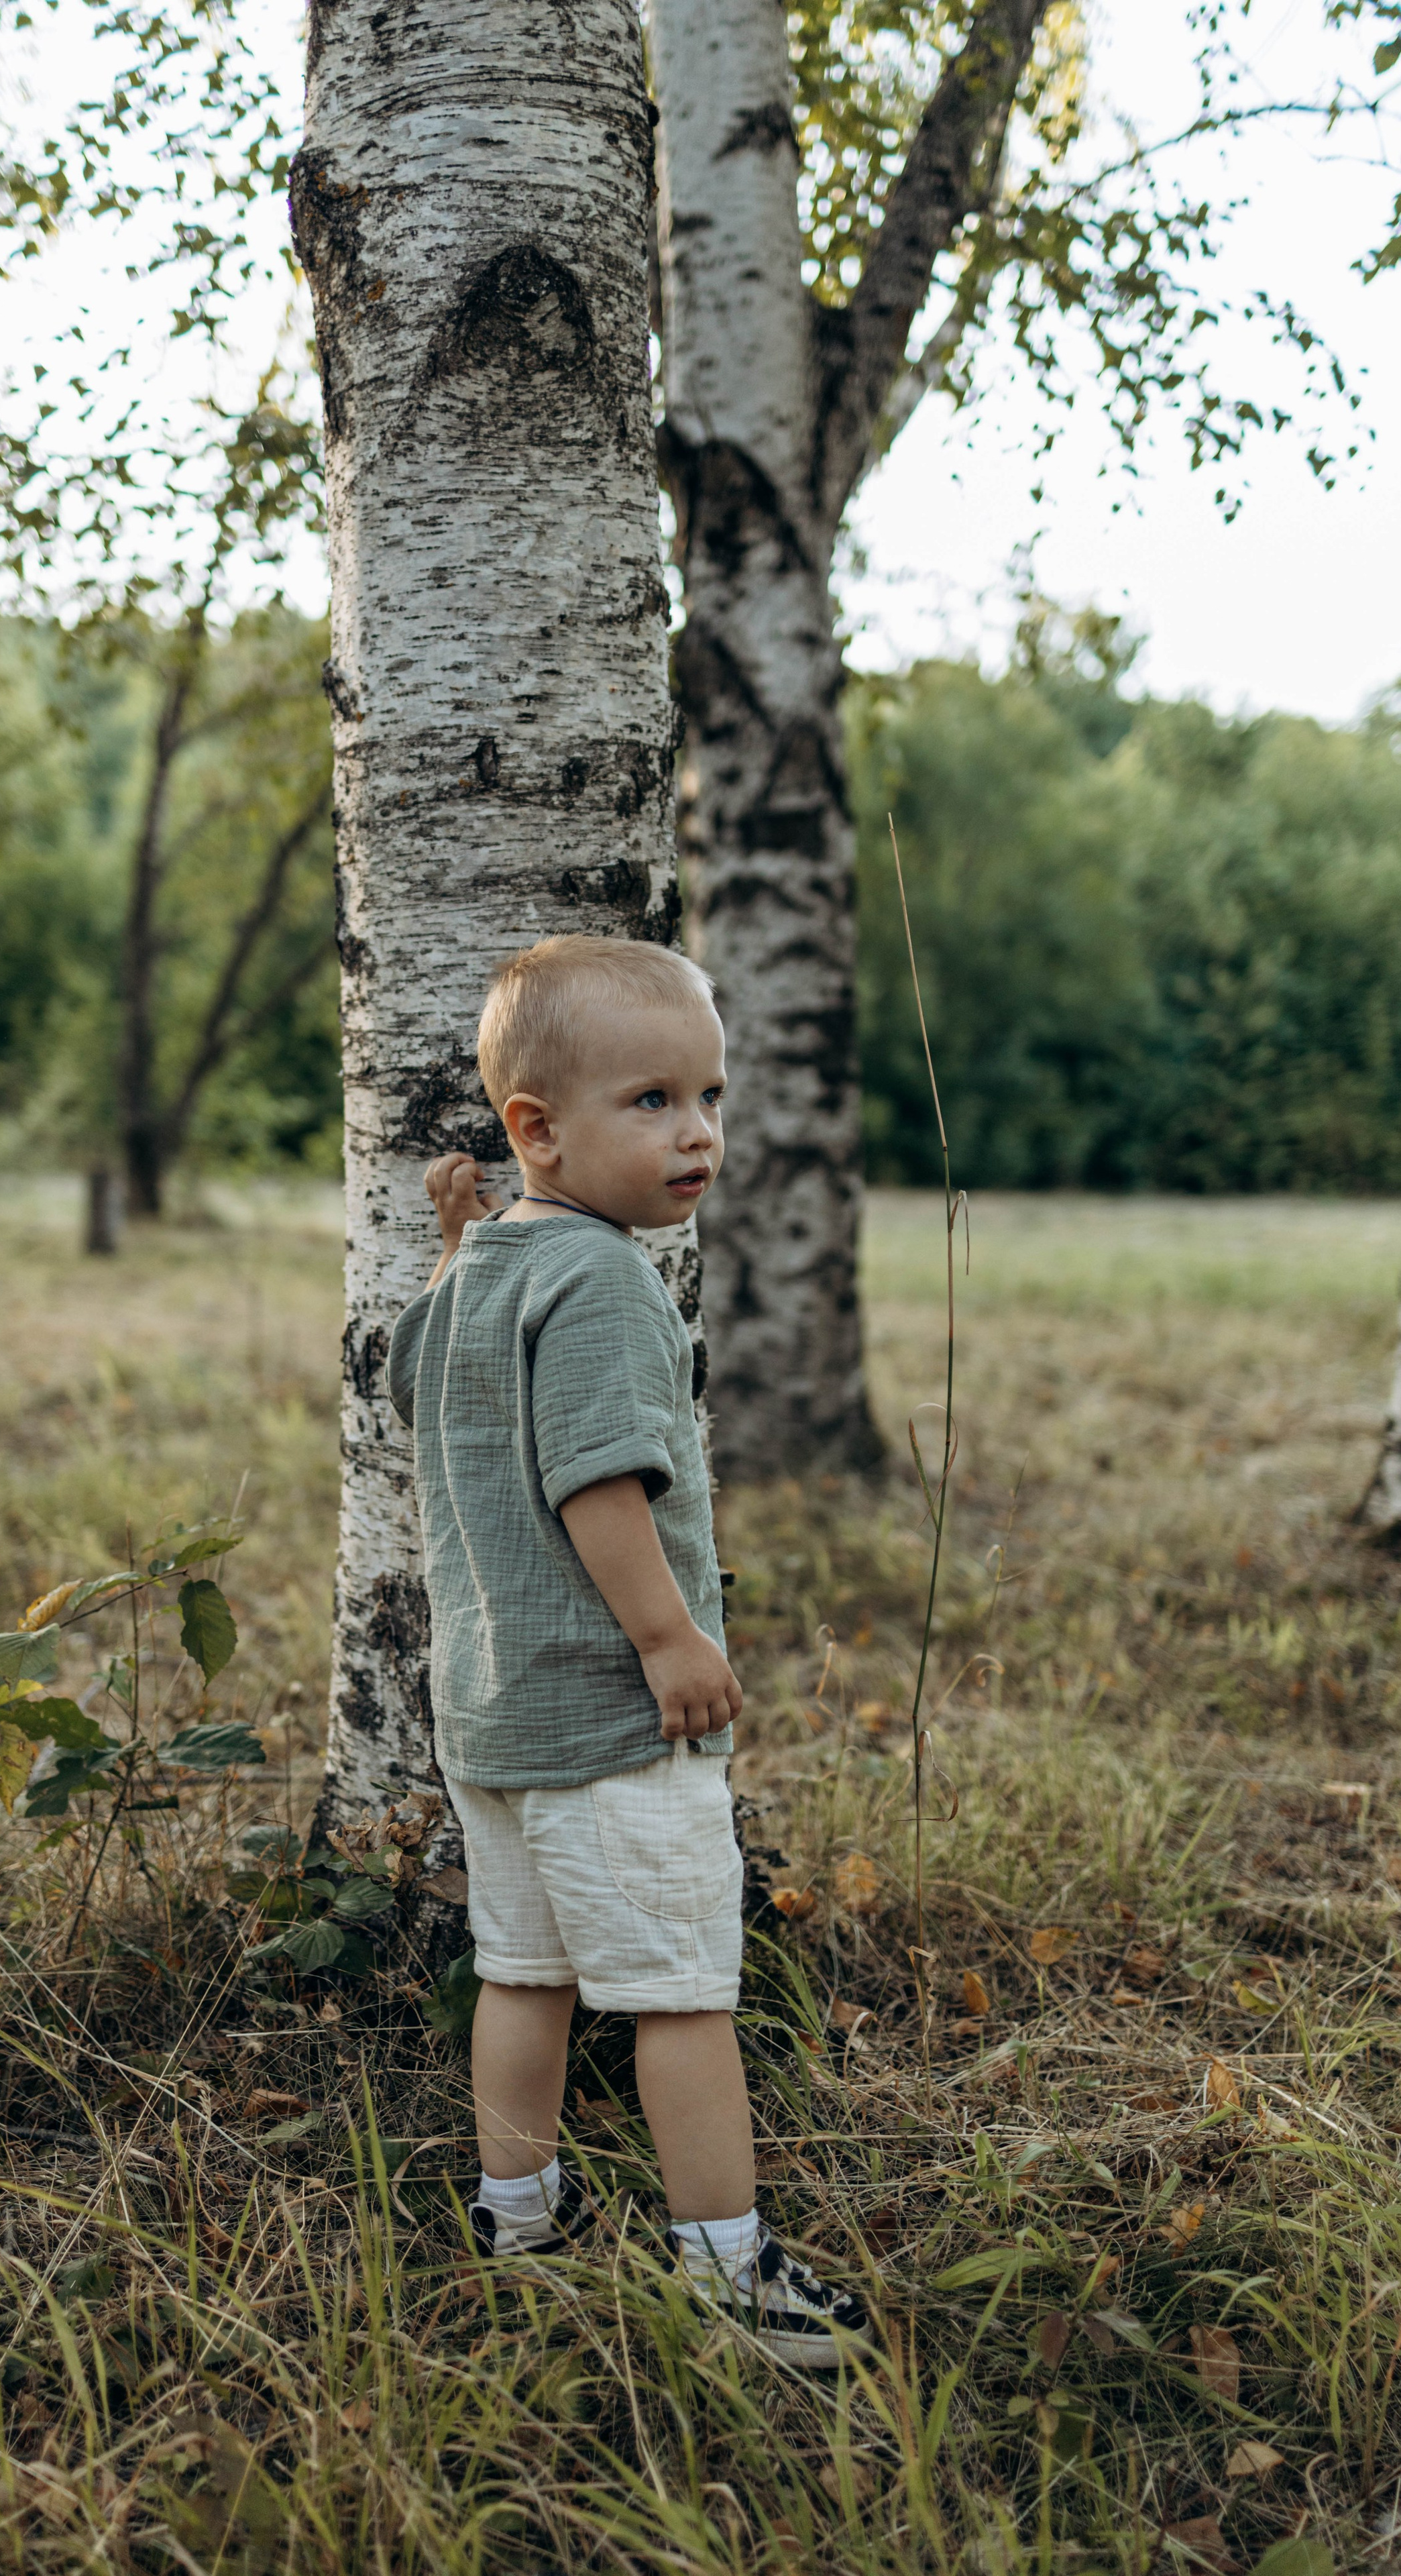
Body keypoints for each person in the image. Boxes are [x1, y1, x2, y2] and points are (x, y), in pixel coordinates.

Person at [387, 934, 870, 2369]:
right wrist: (668, 1638)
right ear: (534, 1129)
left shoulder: (484, 1277)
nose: (698, 1133)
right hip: (610, 1716)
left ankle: (514, 2218)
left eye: (708, 1096)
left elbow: (435, 1385)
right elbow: (594, 1481)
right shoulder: (599, 1282)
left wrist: (456, 1244)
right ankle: (728, 2278)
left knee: (522, 1975)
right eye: (650, 1100)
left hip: (491, 1715)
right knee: (680, 1994)